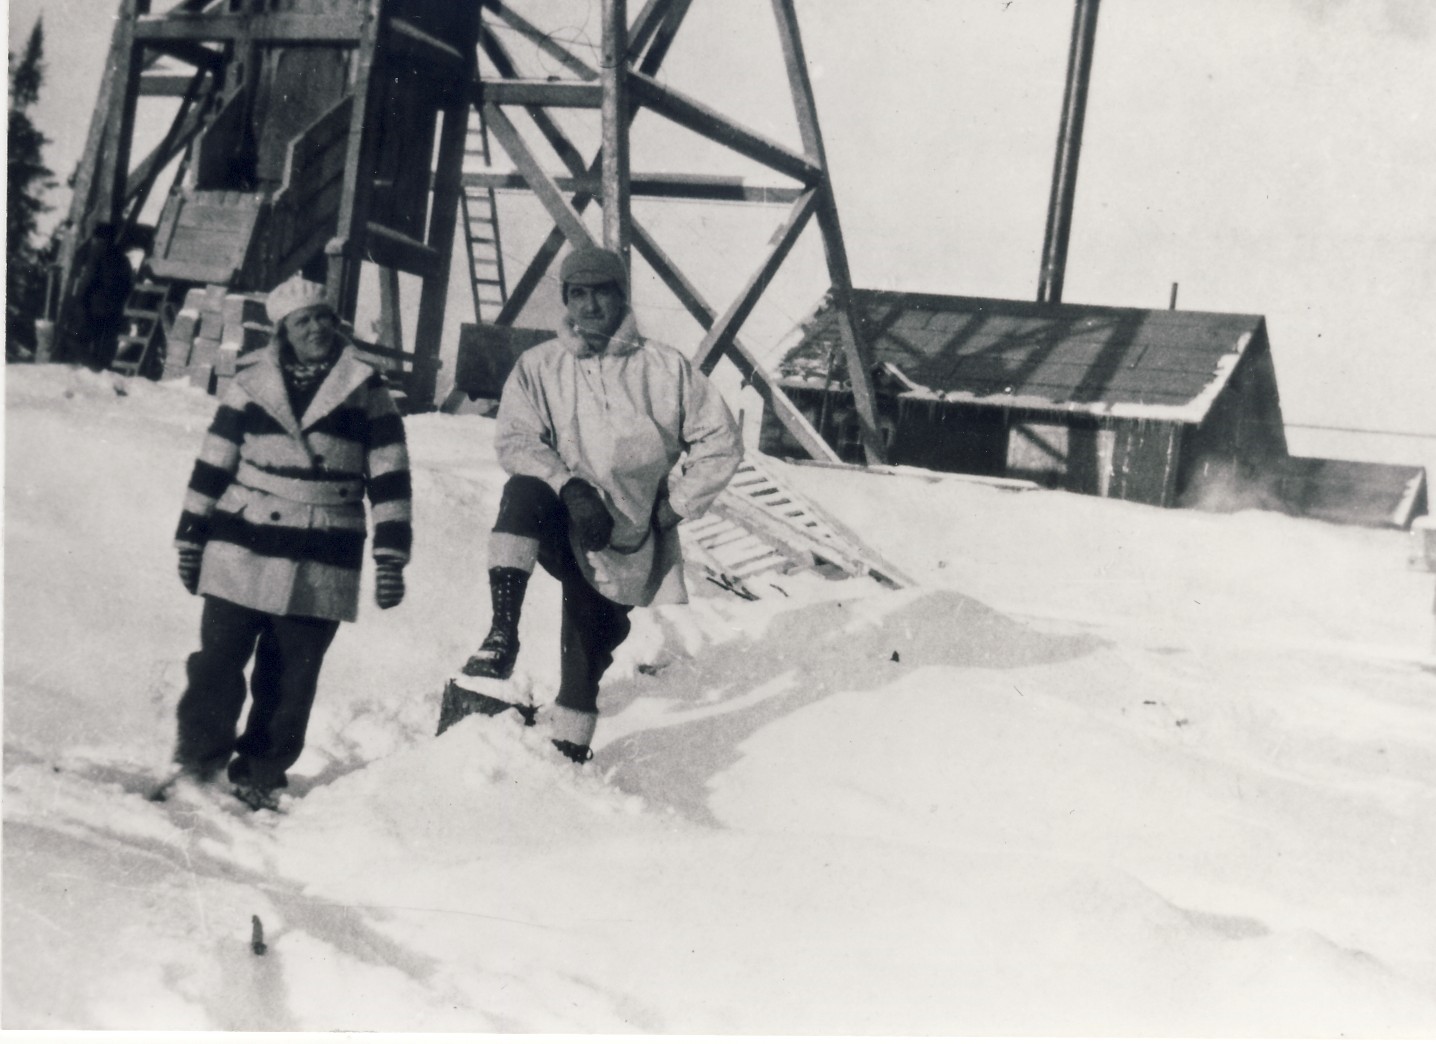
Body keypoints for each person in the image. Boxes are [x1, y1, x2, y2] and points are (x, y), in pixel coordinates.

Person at [462, 244, 743, 762]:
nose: (590, 307)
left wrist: (674, 507)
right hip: (558, 521)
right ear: (566, 299)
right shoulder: (539, 366)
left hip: (626, 538)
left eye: (602, 293)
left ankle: (567, 759)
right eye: (578, 294)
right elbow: (517, 441)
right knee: (522, 492)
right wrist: (568, 486)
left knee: (586, 657)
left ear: (622, 296)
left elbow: (722, 442)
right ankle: (502, 633)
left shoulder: (665, 368)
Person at [170, 273, 413, 810]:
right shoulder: (250, 379)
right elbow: (215, 459)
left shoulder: (366, 388)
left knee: (290, 677)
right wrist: (192, 534)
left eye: (324, 317)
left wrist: (391, 555)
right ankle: (197, 760)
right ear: (282, 329)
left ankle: (260, 773)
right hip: (242, 536)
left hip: (322, 547)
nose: (317, 328)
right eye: (304, 321)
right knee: (217, 660)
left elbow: (391, 473)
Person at [62, 223, 135, 371]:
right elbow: (128, 286)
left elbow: (88, 280)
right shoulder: (123, 259)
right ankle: (100, 371)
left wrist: (76, 302)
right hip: (114, 311)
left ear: (100, 238)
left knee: (74, 339)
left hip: (92, 308)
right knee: (103, 347)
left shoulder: (97, 254)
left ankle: (91, 368)